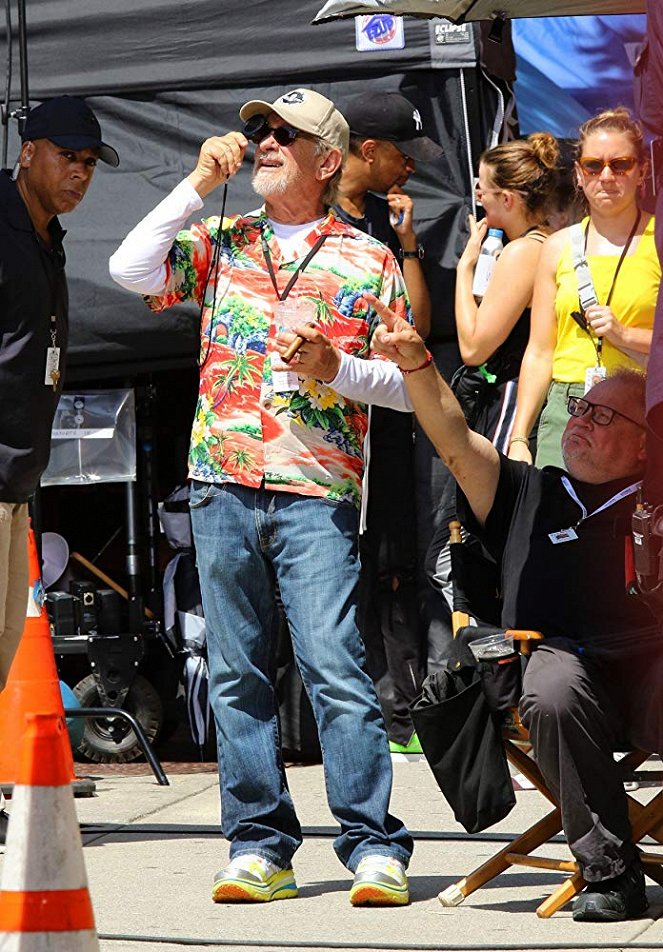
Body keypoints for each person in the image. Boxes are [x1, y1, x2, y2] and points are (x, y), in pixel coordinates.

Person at [109, 87, 414, 906]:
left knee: (336, 673)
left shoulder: (368, 256)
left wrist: (338, 370)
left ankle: (373, 845)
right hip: (221, 486)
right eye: (260, 132)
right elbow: (128, 267)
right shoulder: (223, 237)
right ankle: (260, 847)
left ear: (327, 160)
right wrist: (196, 184)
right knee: (238, 675)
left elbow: (410, 383)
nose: (266, 142)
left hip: (314, 492)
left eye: (286, 134)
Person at [369, 292, 660, 923]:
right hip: (560, 662)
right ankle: (611, 871)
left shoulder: (653, 499)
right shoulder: (529, 488)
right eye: (580, 409)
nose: (580, 421)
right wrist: (419, 365)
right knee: (551, 690)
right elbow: (452, 437)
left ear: (644, 446)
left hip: (649, 667)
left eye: (605, 418)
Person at [0, 95, 119, 838]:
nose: (78, 172)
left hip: (14, 479)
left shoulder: (48, 237)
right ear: (27, 150)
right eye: (66, 156)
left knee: (3, 648)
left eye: (88, 163)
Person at [334, 91, 442, 754]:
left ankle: (394, 704)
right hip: (325, 422)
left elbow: (419, 330)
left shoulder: (385, 217)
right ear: (366, 149)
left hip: (384, 412)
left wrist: (406, 246)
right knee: (339, 564)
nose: (411, 168)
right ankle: (355, 711)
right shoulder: (309, 215)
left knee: (390, 559)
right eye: (403, 155)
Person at [426, 134, 559, 659]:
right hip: (512, 402)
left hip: (503, 408)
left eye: (483, 187)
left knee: (455, 550)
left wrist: (462, 273)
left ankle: (498, 667)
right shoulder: (545, 245)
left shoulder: (525, 252)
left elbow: (476, 345)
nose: (477, 196)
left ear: (508, 197)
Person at [509, 108, 660, 470]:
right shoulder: (557, 246)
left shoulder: (658, 241)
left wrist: (625, 334)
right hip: (570, 406)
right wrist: (518, 437)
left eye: (620, 164)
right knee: (555, 521)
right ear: (578, 174)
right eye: (593, 166)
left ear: (642, 171)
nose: (606, 176)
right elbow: (540, 351)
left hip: (637, 407)